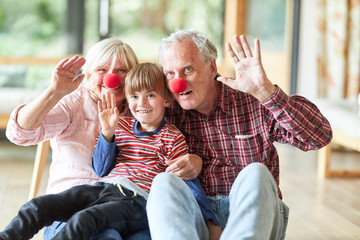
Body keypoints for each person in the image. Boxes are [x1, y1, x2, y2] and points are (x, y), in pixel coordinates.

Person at [146, 29, 333, 239]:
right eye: (170, 74)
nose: (177, 83)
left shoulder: (252, 98)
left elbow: (320, 136)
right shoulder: (165, 111)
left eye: (188, 69)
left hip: (255, 216)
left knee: (256, 173)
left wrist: (266, 92)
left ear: (211, 67)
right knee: (163, 183)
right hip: (198, 218)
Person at [0, 63, 221, 240]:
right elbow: (100, 168)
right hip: (102, 188)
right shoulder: (122, 126)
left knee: (84, 221)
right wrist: (107, 133)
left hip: (136, 202)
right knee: (37, 206)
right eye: (134, 96)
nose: (141, 103)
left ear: (167, 99)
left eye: (150, 95)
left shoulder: (171, 137)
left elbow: (189, 181)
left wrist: (211, 222)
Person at [5, 38, 141, 239]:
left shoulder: (142, 108)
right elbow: (19, 134)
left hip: (120, 212)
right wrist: (54, 92)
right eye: (102, 70)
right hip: (69, 212)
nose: (112, 78)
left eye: (122, 70)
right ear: (88, 74)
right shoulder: (74, 101)